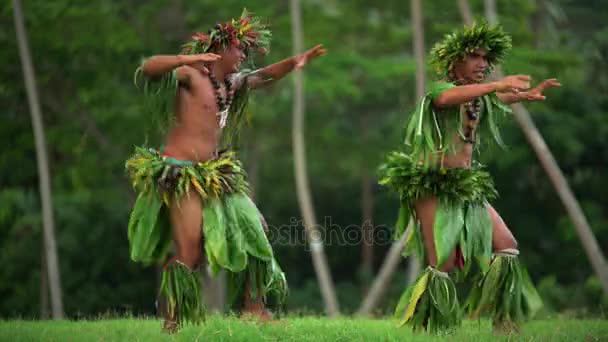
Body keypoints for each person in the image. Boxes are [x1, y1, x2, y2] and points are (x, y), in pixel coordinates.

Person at [125, 9, 326, 332]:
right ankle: (172, 320)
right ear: (220, 49)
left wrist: (295, 62)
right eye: (240, 49)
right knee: (189, 250)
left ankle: (254, 308)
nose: (244, 55)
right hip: (182, 174)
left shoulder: (233, 83)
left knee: (255, 228)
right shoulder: (191, 76)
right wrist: (180, 60)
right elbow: (148, 68)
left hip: (217, 174)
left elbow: (265, 75)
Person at [380, 21, 560, 334]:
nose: (483, 63)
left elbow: (492, 100)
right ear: (455, 61)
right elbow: (449, 100)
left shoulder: (477, 98)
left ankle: (504, 325)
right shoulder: (440, 90)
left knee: (506, 246)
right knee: (443, 264)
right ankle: (429, 328)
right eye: (475, 56)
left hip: (465, 185)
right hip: (431, 184)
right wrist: (496, 85)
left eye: (486, 58)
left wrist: (527, 95)